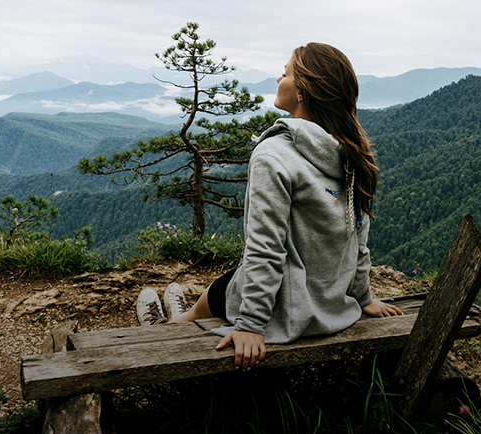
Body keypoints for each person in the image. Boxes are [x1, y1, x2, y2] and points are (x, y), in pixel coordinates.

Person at [136, 42, 402, 371]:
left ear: (302, 91)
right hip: (332, 307)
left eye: (286, 72)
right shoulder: (353, 155)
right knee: (223, 285)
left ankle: (168, 328)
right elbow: (357, 238)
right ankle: (181, 316)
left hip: (288, 312)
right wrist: (363, 298)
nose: (279, 78)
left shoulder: (274, 154)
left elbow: (265, 248)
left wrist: (250, 324)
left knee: (220, 292)